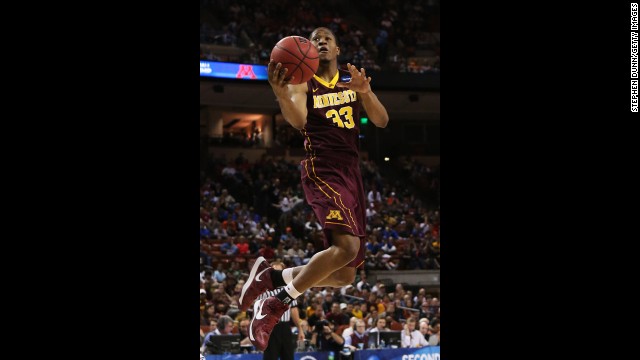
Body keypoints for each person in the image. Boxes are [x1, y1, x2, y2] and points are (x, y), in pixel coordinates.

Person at [241, 26, 389, 352]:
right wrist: (281, 94)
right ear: (309, 48)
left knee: (344, 275)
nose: (321, 41)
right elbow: (297, 120)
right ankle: (276, 303)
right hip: (323, 168)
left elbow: (381, 121)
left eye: (328, 39)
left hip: (352, 174)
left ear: (337, 50)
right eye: (315, 38)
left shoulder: (352, 82)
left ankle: (273, 277)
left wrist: (365, 92)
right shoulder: (302, 82)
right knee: (347, 249)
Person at [259, 261, 305, 360]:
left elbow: (293, 310)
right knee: (270, 357)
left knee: (288, 356)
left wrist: (300, 329)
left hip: (285, 327)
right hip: (270, 328)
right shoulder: (264, 289)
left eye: (279, 272)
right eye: (274, 271)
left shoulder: (290, 288)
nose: (277, 275)